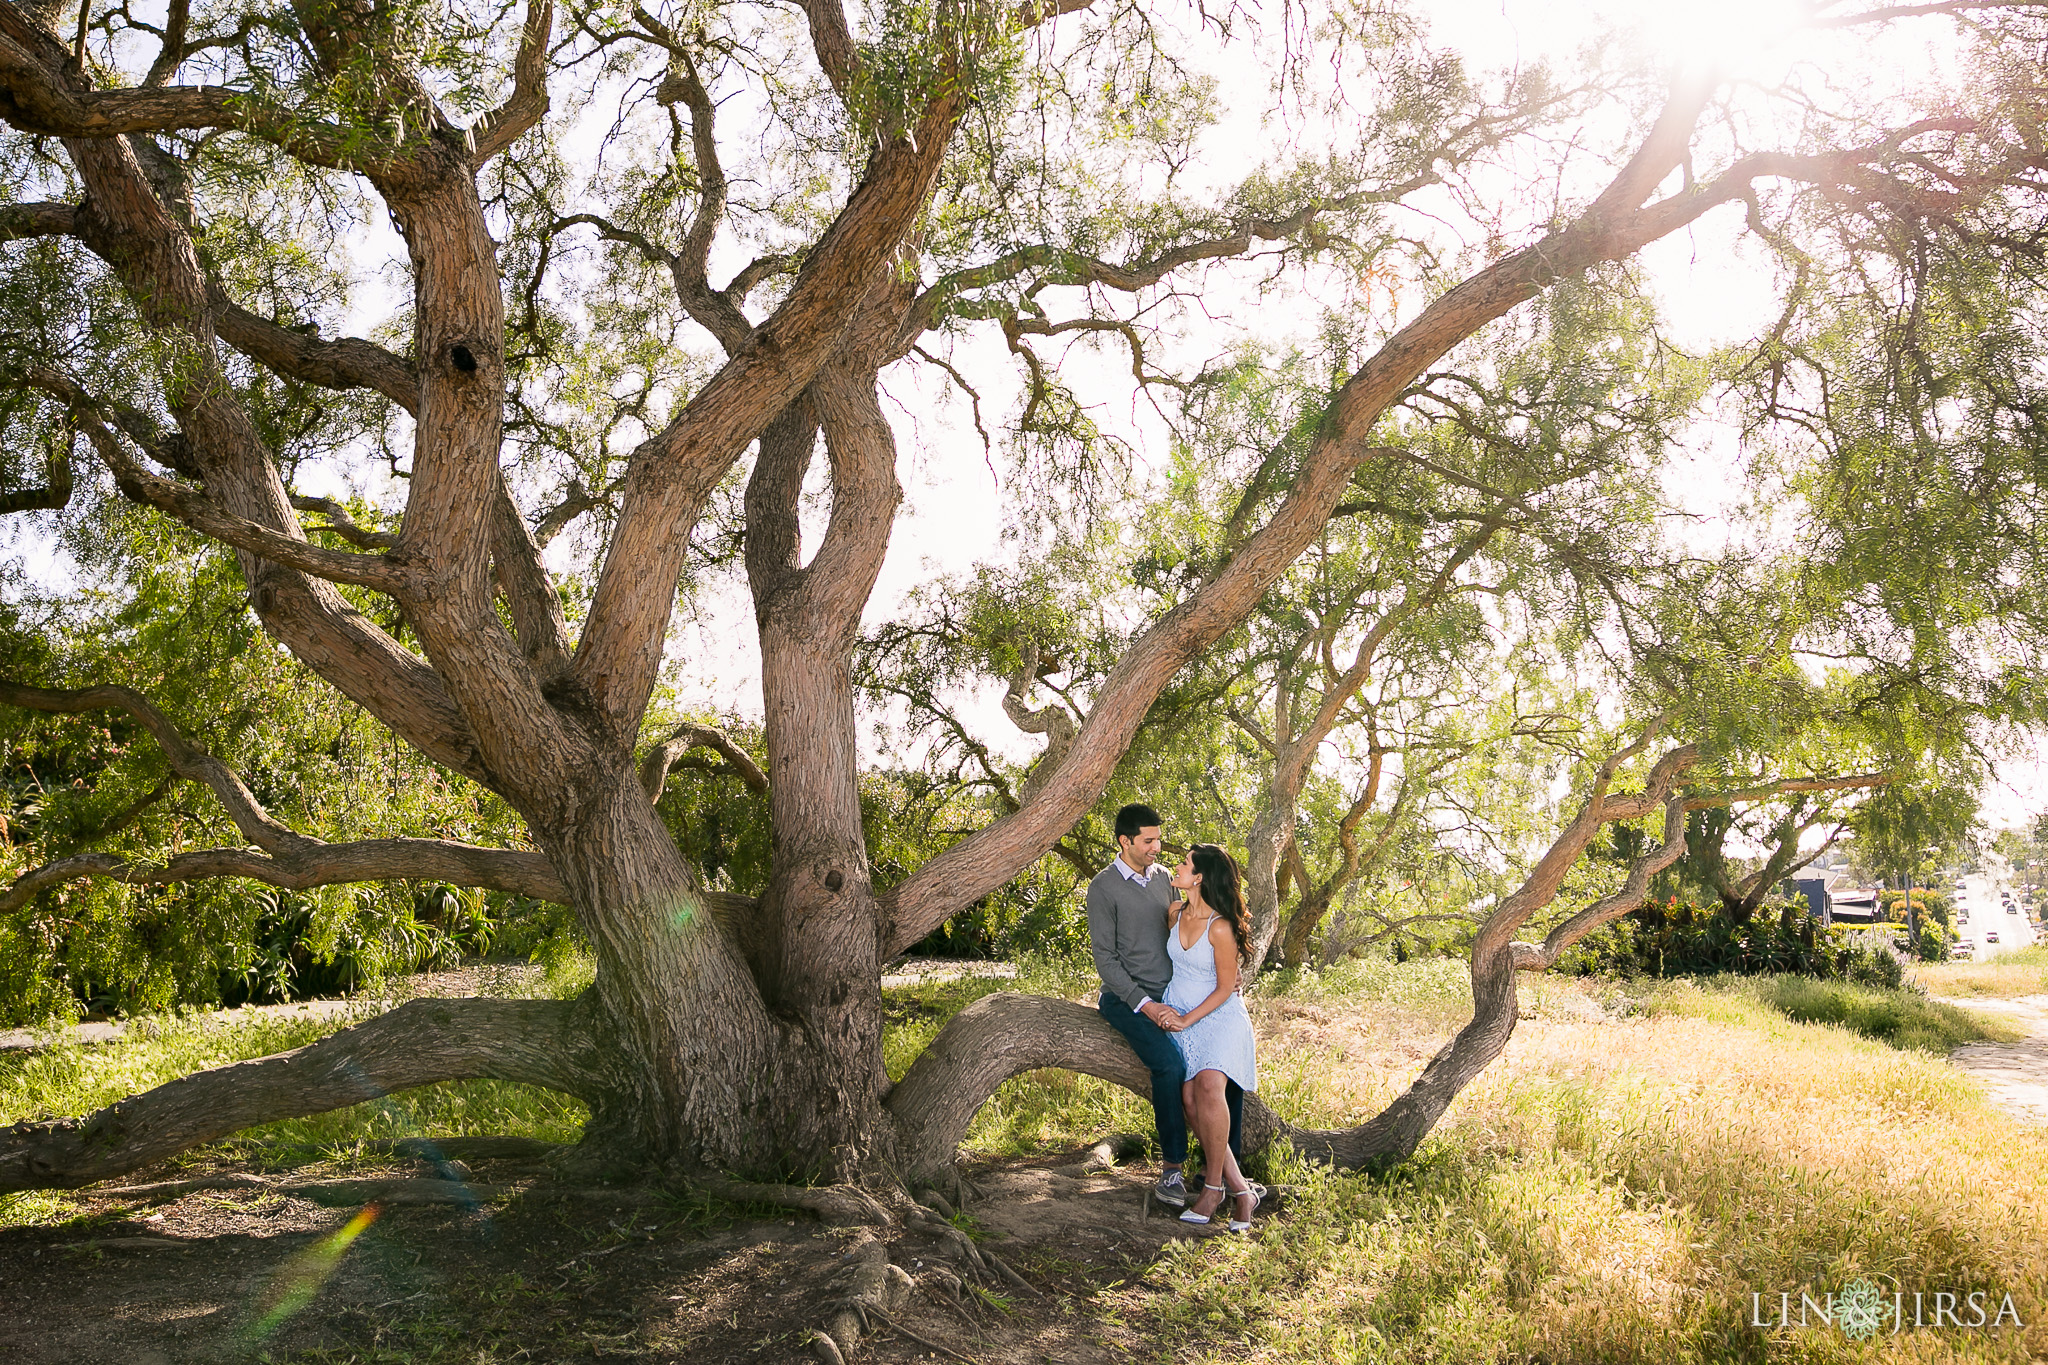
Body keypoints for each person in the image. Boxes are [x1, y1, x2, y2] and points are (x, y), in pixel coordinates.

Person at [1087, 803, 1245, 1209]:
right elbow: (1106, 960)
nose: (1158, 847)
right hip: (1127, 998)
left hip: (1174, 995)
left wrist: (1225, 971)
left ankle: (1229, 1174)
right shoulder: (1103, 888)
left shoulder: (1164, 882)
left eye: (1158, 838)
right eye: (1149, 840)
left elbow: (1198, 922)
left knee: (1221, 1072)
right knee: (1171, 1067)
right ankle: (1172, 1168)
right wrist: (1146, 1005)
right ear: (1126, 842)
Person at [1160, 843, 1261, 1232]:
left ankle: (1213, 1188)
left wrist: (1186, 1021)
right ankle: (1242, 1190)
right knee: (1187, 1098)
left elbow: (1224, 989)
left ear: (1199, 877)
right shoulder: (1174, 912)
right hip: (1180, 1010)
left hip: (1217, 1017)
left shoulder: (1220, 927)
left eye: (1184, 863)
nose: (1178, 866)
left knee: (1207, 1086)